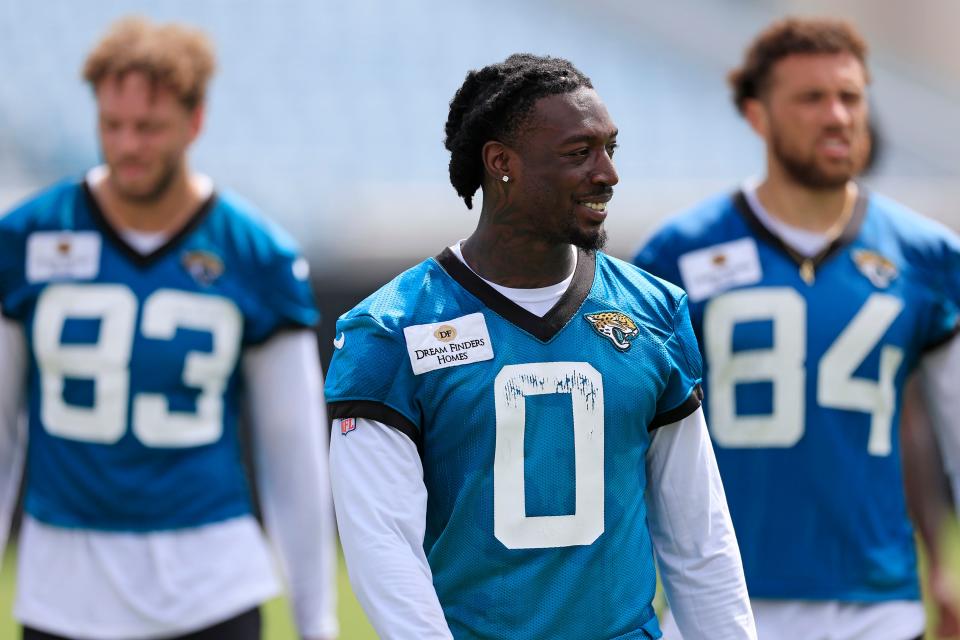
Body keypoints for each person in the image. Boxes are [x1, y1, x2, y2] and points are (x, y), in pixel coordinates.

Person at [325, 53, 757, 639]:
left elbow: (699, 536)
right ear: (501, 163)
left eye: (611, 149)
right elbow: (382, 546)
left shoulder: (652, 314)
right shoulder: (392, 329)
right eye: (580, 154)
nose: (608, 173)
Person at [0, 17, 337, 640]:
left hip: (212, 583)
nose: (127, 145)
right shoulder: (25, 238)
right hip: (62, 590)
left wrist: (315, 620)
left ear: (195, 121)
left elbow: (293, 450)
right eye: (112, 125)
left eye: (148, 127)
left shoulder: (255, 252)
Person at [634, 17, 960, 640]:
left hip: (879, 605)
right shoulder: (677, 255)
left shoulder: (930, 257)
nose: (837, 115)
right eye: (811, 98)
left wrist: (944, 572)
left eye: (850, 97)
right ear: (757, 115)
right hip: (719, 599)